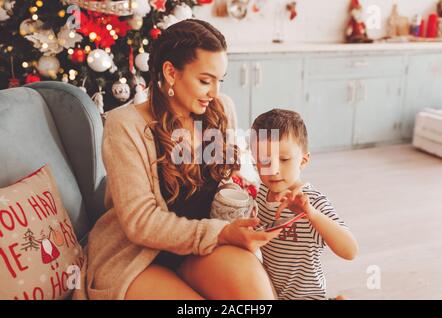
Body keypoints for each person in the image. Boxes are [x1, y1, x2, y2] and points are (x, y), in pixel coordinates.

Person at [73, 19, 280, 300]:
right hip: (140, 255)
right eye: (205, 81)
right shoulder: (125, 125)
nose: (214, 93)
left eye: (220, 81)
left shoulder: (221, 109)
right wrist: (221, 233)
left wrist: (260, 198)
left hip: (202, 245)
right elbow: (141, 223)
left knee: (256, 297)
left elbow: (229, 181)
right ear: (171, 72)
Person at [250, 109, 359, 300]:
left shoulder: (312, 201)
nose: (274, 169)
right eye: (265, 161)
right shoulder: (260, 194)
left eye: (284, 159)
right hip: (272, 293)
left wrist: (312, 214)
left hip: (308, 296)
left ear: (304, 160)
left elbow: (350, 251)